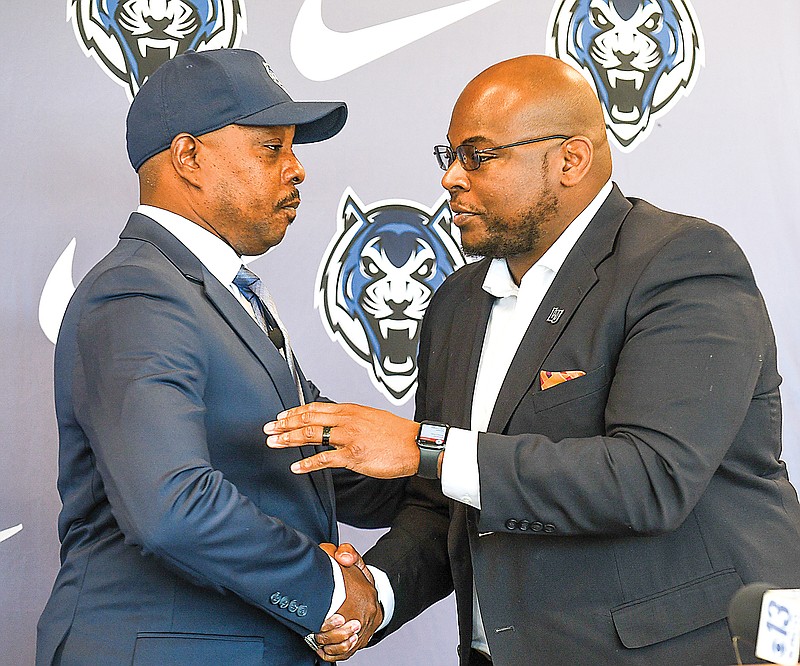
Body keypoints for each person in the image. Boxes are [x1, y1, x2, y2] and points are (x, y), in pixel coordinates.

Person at [264, 54, 800, 664]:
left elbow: (651, 479)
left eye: (479, 155)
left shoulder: (681, 262)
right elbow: (452, 499)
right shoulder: (457, 304)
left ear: (570, 160)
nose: (451, 179)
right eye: (450, 157)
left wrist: (424, 448)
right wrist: (374, 595)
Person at [36, 48, 405, 665]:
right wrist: (331, 592)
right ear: (188, 157)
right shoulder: (138, 290)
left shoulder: (214, 293)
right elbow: (171, 507)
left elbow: (307, 458)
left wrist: (455, 469)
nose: (298, 171)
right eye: (271, 148)